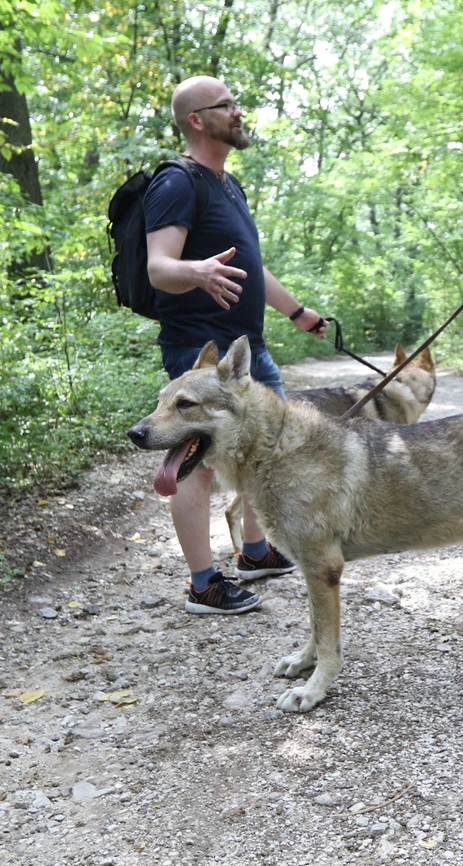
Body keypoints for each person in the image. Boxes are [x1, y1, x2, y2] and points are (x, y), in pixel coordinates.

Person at [145, 75, 328, 615]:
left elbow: (251, 266)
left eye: (236, 102)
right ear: (197, 119)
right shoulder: (177, 182)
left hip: (247, 350)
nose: (238, 111)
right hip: (198, 353)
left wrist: (297, 313)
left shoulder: (228, 183)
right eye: (225, 105)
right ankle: (204, 584)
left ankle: (254, 551)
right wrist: (195, 272)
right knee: (196, 465)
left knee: (264, 446)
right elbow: (158, 267)